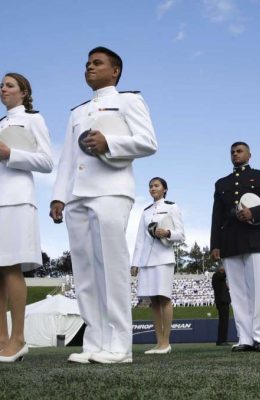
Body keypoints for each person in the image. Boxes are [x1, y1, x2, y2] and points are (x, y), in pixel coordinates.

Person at [50, 47, 157, 364]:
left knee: (111, 269)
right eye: (87, 63)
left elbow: (148, 141)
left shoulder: (129, 101)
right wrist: (59, 195)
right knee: (85, 273)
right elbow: (67, 158)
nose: (89, 67)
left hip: (111, 190)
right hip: (77, 196)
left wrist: (110, 143)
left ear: (116, 71)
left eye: (97, 63)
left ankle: (120, 346)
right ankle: (94, 342)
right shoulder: (77, 112)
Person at [210, 141, 260, 352]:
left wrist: (255, 213)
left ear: (249, 154)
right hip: (230, 242)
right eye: (232, 152)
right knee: (238, 293)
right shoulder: (221, 183)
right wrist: (215, 244)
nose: (235, 154)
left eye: (239, 151)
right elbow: (217, 217)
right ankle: (245, 338)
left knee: (258, 290)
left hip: (255, 239)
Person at [0, 73, 53, 362]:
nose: (3, 89)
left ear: (23, 92)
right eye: (1, 85)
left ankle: (18, 339)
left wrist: (11, 154)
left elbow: (46, 161)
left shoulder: (33, 120)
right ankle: (1, 339)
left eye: (9, 85)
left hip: (17, 199)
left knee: (10, 268)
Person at [132, 177, 184, 354]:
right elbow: (140, 238)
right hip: (147, 259)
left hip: (164, 257)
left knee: (164, 297)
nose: (152, 189)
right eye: (150, 186)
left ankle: (166, 342)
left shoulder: (171, 207)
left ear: (165, 189)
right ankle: (159, 342)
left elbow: (181, 234)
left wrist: (168, 232)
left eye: (156, 186)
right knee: (153, 300)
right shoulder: (145, 211)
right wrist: (135, 262)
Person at [212, 264, 231, 346]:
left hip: (224, 302)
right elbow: (224, 275)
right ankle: (221, 340)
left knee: (224, 322)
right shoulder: (216, 275)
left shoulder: (221, 278)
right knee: (223, 322)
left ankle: (223, 339)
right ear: (220, 269)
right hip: (222, 302)